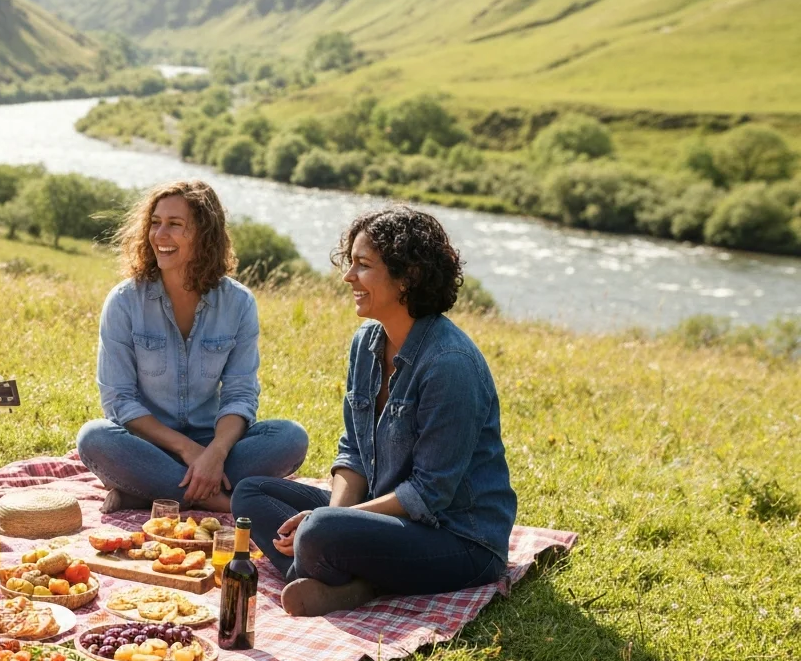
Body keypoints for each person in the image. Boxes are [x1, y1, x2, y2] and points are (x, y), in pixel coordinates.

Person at [232, 205, 517, 616]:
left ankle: (339, 575)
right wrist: (333, 514)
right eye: (350, 264)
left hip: (460, 540)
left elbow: (430, 494)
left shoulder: (449, 363)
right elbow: (353, 452)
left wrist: (327, 522)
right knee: (250, 493)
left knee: (319, 528)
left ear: (409, 276)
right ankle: (351, 578)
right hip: (387, 517)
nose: (348, 277)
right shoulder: (366, 342)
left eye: (362, 265)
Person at [77, 180, 308, 514]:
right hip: (147, 446)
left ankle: (148, 491)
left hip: (214, 445)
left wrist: (214, 453)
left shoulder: (239, 303)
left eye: (175, 225)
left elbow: (240, 395)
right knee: (94, 437)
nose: (159, 235)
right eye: (155, 223)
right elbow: (119, 400)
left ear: (204, 235)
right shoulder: (125, 302)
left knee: (290, 438)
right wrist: (188, 452)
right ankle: (219, 501)